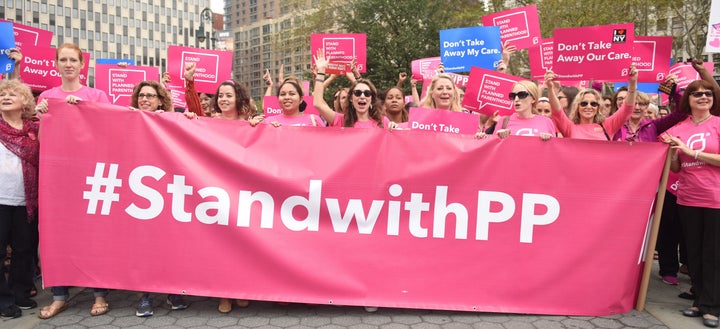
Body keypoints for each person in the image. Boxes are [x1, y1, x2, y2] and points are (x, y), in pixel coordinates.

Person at [35, 43, 111, 319]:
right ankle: (59, 296)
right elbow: (42, 142)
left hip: (89, 174)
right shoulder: (47, 97)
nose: (68, 64)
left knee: (94, 233)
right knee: (56, 234)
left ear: (82, 65)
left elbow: (110, 133)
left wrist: (87, 111)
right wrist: (43, 117)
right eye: (63, 60)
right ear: (56, 64)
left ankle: (100, 293)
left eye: (73, 60)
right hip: (58, 178)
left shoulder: (97, 95)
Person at [663, 79, 720, 328]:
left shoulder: (718, 124)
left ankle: (711, 306)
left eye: (707, 93)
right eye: (696, 94)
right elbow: (677, 167)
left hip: (715, 198)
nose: (703, 97)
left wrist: (692, 151)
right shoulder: (679, 128)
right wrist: (674, 154)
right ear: (688, 100)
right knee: (693, 253)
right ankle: (699, 298)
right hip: (688, 198)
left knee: (713, 254)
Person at [0, 80, 39, 319]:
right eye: (2, 94)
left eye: (12, 94)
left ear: (24, 102)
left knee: (24, 250)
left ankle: (20, 293)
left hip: (26, 201)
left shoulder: (34, 129)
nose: (5, 96)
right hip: (0, 200)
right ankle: (3, 300)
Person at [545, 65, 638, 140]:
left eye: (593, 104)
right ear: (577, 107)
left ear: (598, 107)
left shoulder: (608, 125)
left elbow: (627, 110)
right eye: (584, 103)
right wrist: (550, 87)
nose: (589, 107)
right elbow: (557, 111)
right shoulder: (570, 127)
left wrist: (633, 83)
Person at [313, 49, 392, 129]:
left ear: (371, 98)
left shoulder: (383, 122)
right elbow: (318, 103)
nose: (362, 96)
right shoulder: (342, 120)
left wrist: (395, 128)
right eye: (357, 93)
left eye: (367, 93)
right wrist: (321, 71)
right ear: (351, 98)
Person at [476, 81, 555, 141]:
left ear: (533, 99)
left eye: (522, 95)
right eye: (513, 96)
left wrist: (548, 140)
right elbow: (493, 149)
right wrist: (482, 138)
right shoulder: (504, 121)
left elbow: (555, 152)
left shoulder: (546, 122)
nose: (516, 99)